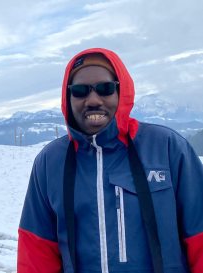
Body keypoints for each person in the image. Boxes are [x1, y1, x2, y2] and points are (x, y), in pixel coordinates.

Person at [17, 48, 203, 273]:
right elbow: (37, 251)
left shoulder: (167, 148)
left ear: (121, 92)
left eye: (105, 89)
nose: (93, 100)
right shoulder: (50, 162)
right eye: (80, 91)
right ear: (68, 98)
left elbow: (199, 237)